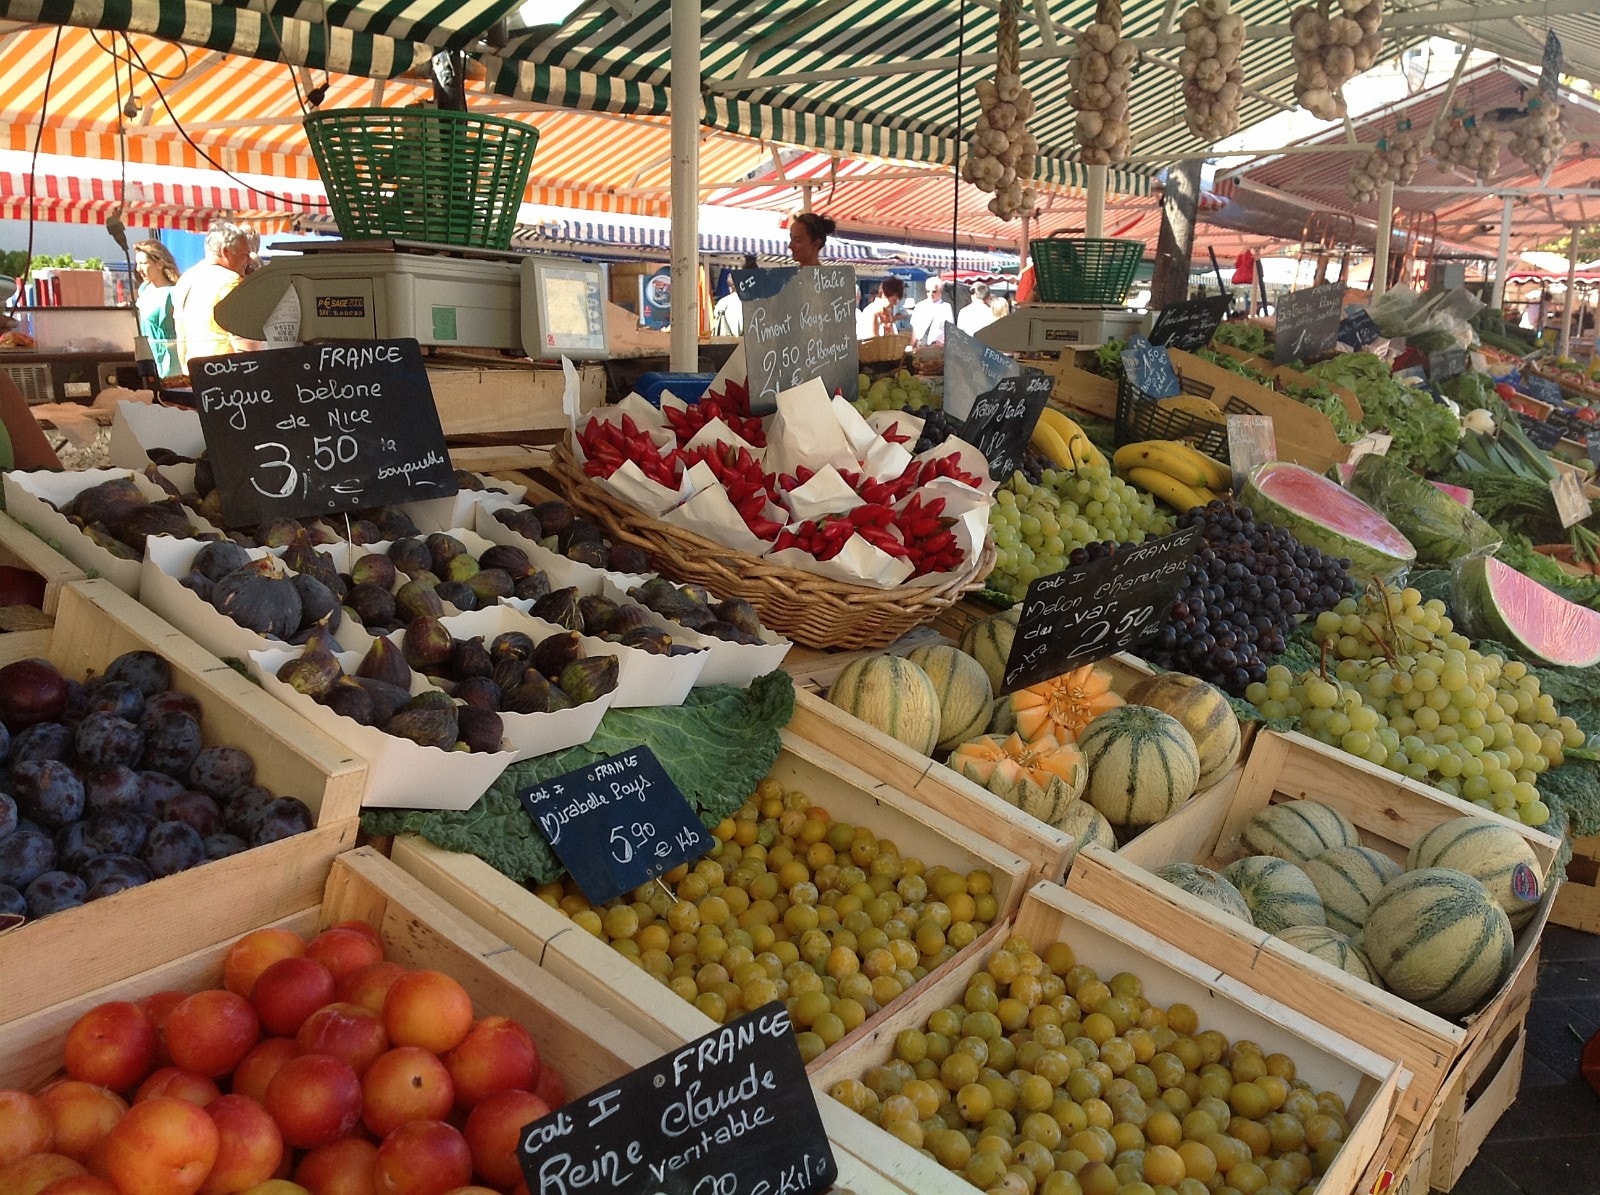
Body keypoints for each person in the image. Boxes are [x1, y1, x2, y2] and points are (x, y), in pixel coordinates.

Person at [172, 222, 259, 370]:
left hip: (195, 369)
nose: (249, 260)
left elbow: (181, 334)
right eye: (245, 255)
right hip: (225, 371)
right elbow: (242, 338)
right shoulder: (231, 280)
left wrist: (186, 373)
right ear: (225, 252)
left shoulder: (185, 279)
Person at [132, 239, 180, 381]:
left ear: (159, 263)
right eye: (137, 264)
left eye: (143, 263)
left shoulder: (173, 293)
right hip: (146, 360)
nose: (138, 269)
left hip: (170, 364)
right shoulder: (144, 290)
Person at [909, 280, 953, 348]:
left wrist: (944, 345)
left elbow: (950, 330)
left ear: (940, 290)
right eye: (928, 291)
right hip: (921, 347)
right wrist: (911, 346)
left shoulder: (946, 307)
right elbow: (914, 330)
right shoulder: (920, 306)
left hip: (938, 348)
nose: (931, 294)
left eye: (934, 291)